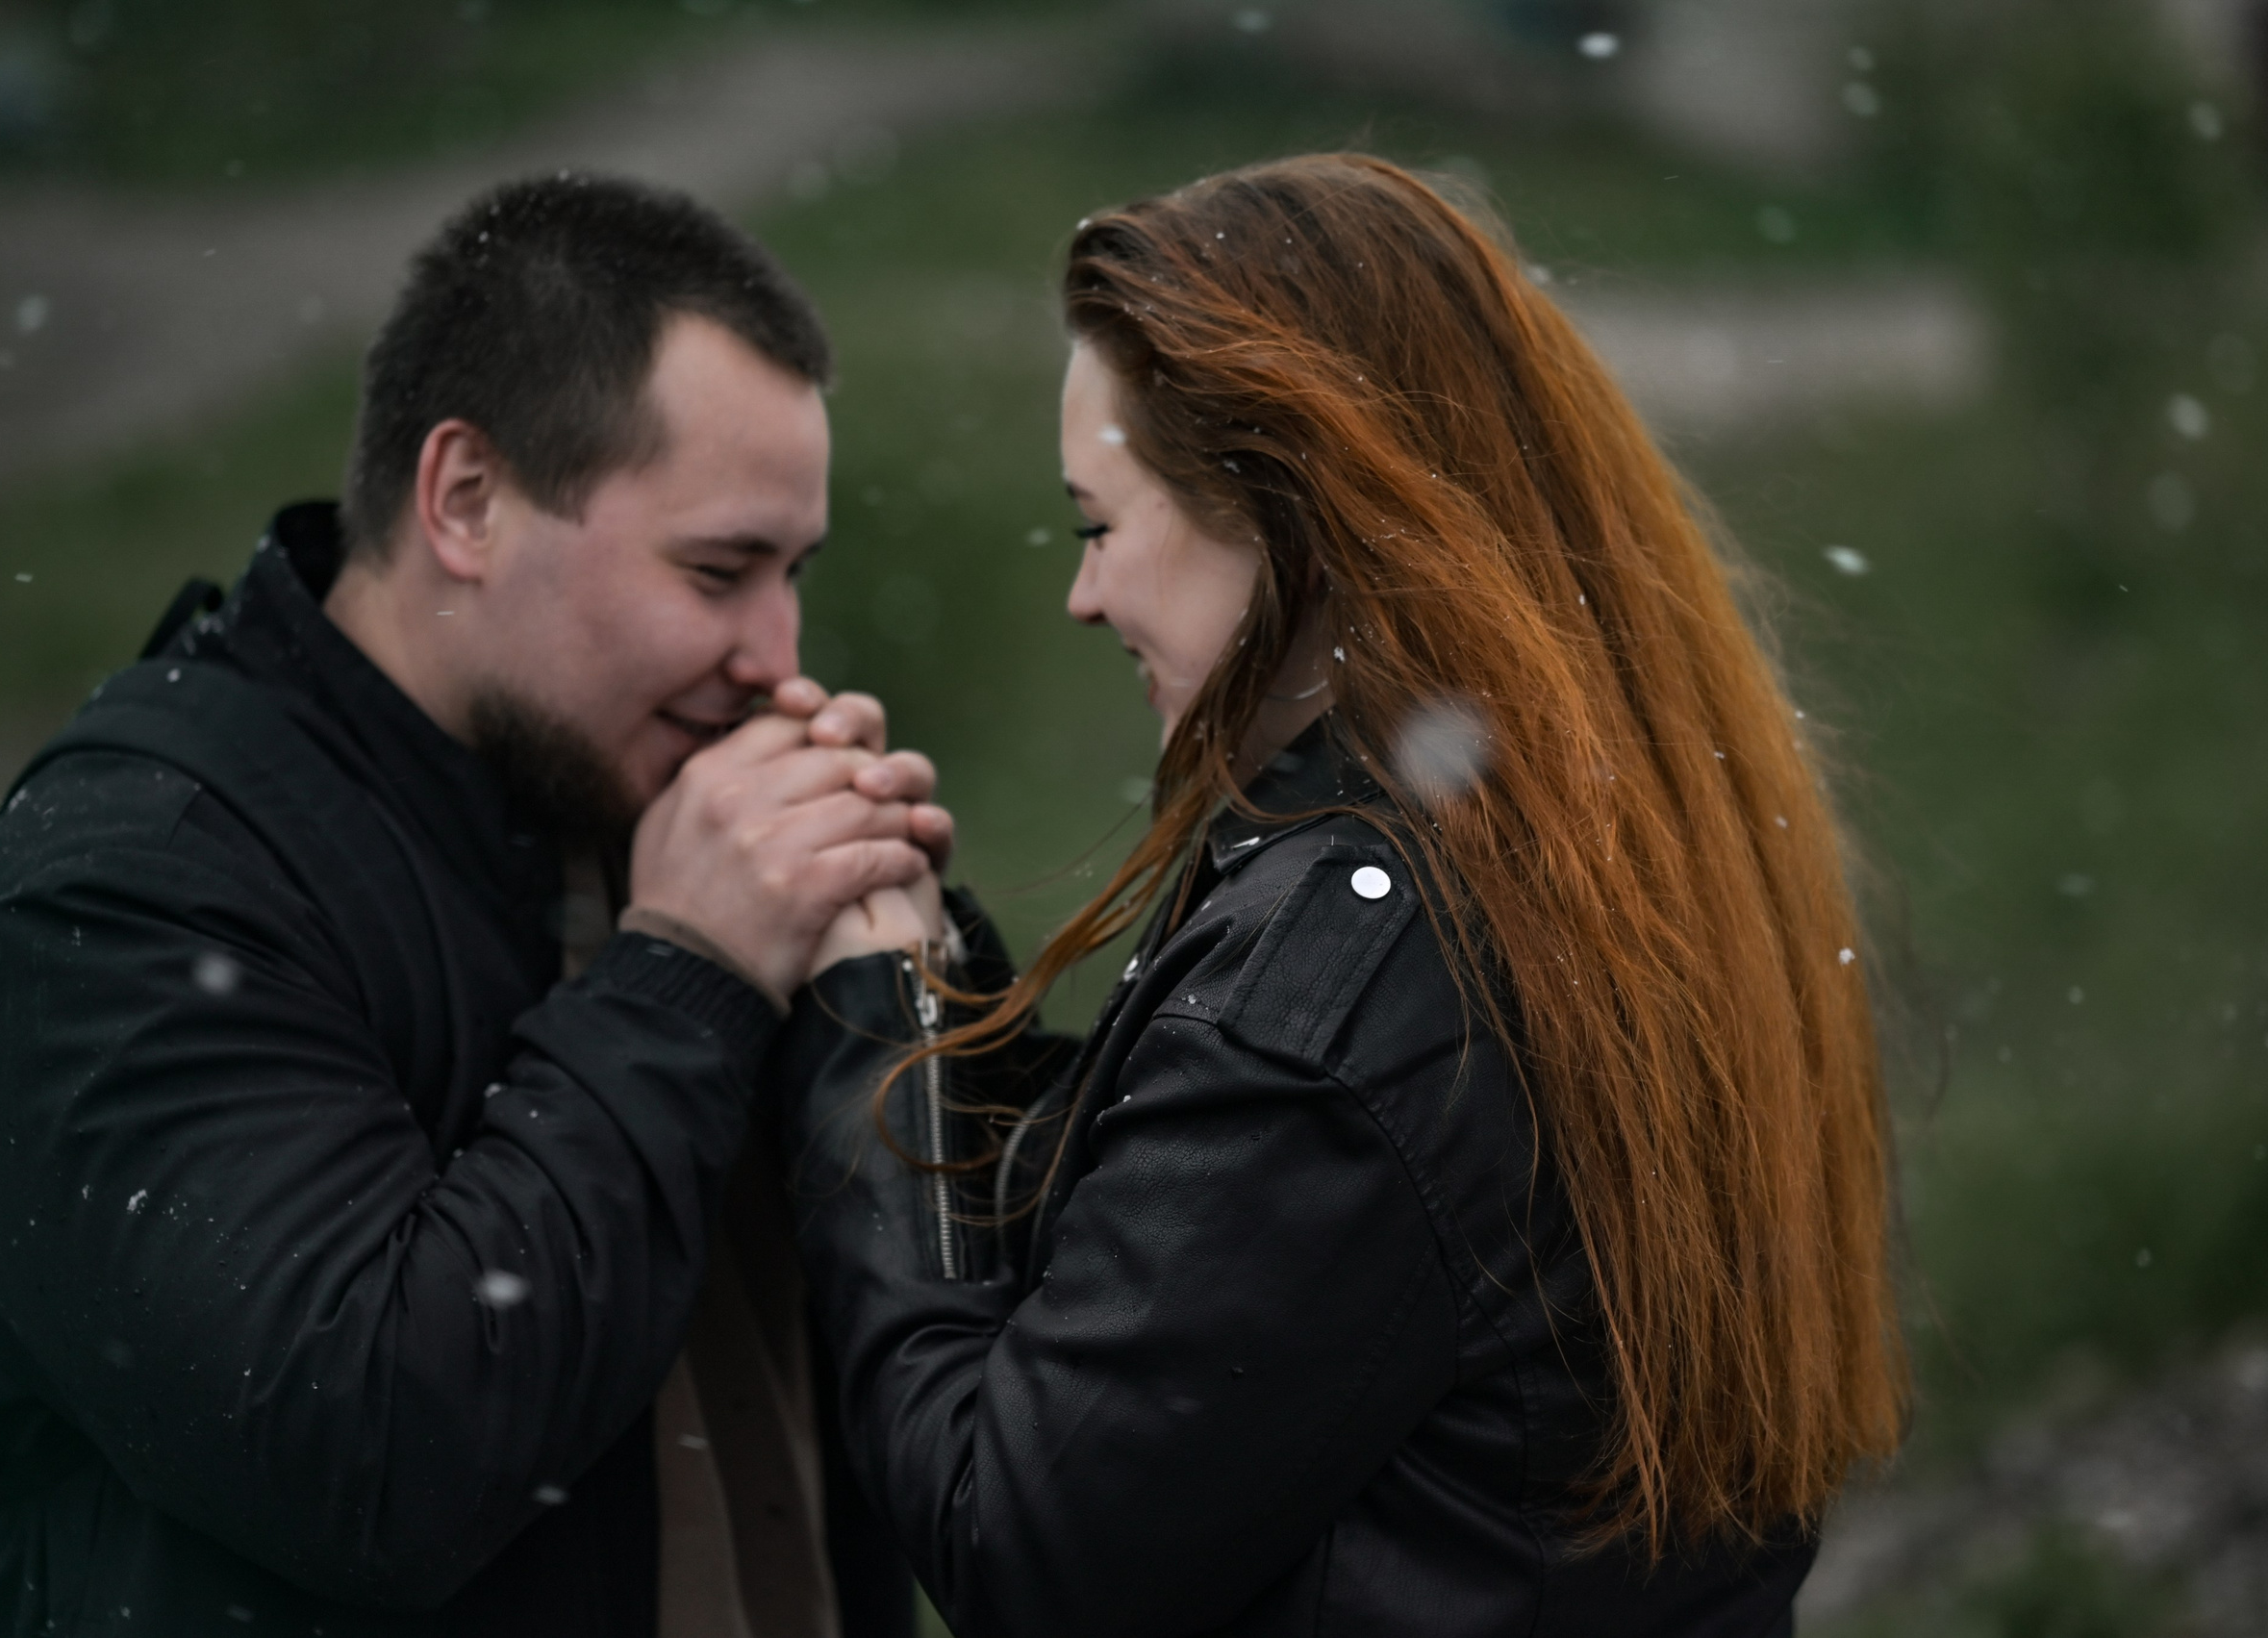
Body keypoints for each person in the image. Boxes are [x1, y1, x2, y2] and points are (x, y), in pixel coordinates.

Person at [772, 154, 1909, 1636]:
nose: (1083, 596)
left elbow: (1024, 1539)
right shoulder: (1596, 850)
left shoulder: (1336, 997)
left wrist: (875, 1045)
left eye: (1097, 528)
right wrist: (947, 989)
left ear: (1284, 511)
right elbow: (1219, 1247)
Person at [0, 174, 940, 1637]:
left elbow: (1012, 1343)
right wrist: (690, 972)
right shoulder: (118, 882)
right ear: (466, 499)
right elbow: (368, 1459)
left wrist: (908, 989)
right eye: (719, 571)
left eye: (793, 575)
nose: (775, 653)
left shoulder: (654, 789)